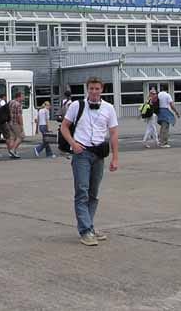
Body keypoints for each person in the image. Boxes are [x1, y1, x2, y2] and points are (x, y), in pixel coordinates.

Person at [59, 77, 120, 246]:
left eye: (97, 88)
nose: (94, 92)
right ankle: (85, 231)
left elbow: (113, 133)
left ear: (102, 89)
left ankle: (89, 226)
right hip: (82, 153)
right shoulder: (76, 106)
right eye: (91, 88)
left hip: (99, 154)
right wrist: (73, 143)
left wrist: (115, 157)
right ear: (87, 89)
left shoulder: (109, 108)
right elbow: (64, 126)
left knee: (93, 193)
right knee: (82, 191)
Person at [5, 92, 26, 158]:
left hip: (9, 122)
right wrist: (21, 126)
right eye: (23, 96)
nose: (24, 98)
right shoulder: (18, 104)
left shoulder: (11, 102)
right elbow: (19, 116)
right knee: (21, 136)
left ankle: (10, 152)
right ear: (19, 97)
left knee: (12, 138)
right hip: (15, 123)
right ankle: (13, 150)